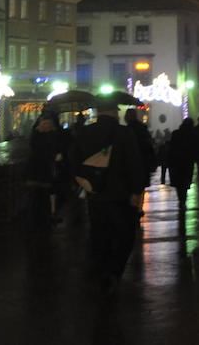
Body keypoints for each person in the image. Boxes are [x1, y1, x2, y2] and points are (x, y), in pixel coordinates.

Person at [70, 96, 145, 297]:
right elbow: (134, 163)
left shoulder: (85, 132)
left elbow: (74, 161)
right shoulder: (124, 133)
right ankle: (114, 271)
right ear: (114, 112)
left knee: (99, 234)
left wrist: (84, 182)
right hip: (121, 194)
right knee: (124, 235)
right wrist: (136, 191)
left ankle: (102, 271)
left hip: (95, 193)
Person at [29, 112, 66, 225]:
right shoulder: (44, 135)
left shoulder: (42, 135)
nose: (47, 126)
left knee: (48, 190)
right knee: (44, 190)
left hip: (46, 166)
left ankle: (47, 213)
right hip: (43, 166)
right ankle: (46, 213)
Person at [124, 109, 156, 212]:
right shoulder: (142, 128)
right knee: (140, 186)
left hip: (131, 163)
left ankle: (133, 207)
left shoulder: (127, 130)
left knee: (130, 186)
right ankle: (139, 207)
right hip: (143, 162)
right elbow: (149, 146)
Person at [168, 118, 196, 209]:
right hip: (187, 162)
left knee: (178, 182)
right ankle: (183, 200)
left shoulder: (176, 133)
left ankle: (181, 200)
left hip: (176, 161)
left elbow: (171, 147)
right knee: (185, 182)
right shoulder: (192, 135)